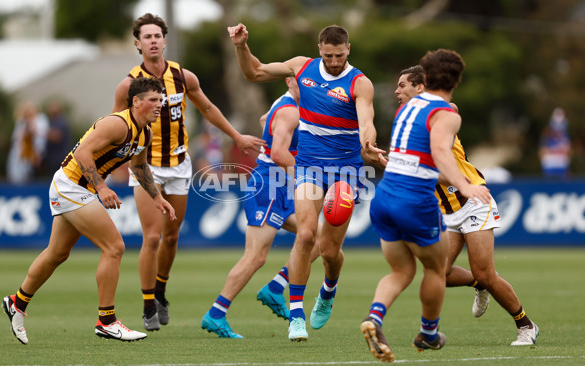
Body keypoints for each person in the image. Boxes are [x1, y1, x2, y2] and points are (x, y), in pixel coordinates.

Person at [228, 23, 387, 341]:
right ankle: (296, 315)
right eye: (328, 56)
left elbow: (366, 121)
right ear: (319, 50)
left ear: (348, 50)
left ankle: (328, 290)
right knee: (305, 234)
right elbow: (255, 73)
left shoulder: (359, 83)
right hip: (309, 166)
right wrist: (241, 46)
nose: (333, 62)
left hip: (346, 170)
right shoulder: (302, 67)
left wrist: (368, 142)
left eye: (339, 56)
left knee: (329, 250)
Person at [112, 13, 265, 332]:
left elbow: (208, 109)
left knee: (171, 236)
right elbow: (115, 126)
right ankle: (148, 304)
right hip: (146, 167)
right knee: (152, 237)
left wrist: (236, 136)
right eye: (147, 37)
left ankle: (161, 290)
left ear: (165, 41)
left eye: (158, 36)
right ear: (137, 44)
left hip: (180, 165)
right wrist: (110, 165)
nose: (153, 41)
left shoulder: (184, 76)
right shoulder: (128, 85)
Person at [1, 77, 176, 344]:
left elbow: (139, 167)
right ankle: (107, 321)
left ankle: (17, 302)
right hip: (71, 185)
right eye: (153, 100)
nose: (158, 105)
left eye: (160, 100)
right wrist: (102, 187)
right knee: (114, 247)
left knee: (57, 254)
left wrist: (157, 197)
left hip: (78, 188)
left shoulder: (146, 132)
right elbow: (83, 152)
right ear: (136, 101)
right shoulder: (117, 123)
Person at [359, 50, 491, 362]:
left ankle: (374, 319)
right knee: (435, 268)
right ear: (457, 80)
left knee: (401, 270)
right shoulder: (448, 113)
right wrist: (465, 185)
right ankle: (428, 334)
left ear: (425, 80)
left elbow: (414, 154)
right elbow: (439, 151)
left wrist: (386, 160)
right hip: (415, 201)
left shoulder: (406, 108)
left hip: (385, 195)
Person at [395, 65, 539, 347]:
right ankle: (478, 285)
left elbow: (430, 158)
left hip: (472, 201)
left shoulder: (441, 113)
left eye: (402, 85)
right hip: (447, 211)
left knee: (486, 270)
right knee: (439, 274)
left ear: (419, 87)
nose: (396, 91)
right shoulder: (405, 120)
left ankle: (526, 325)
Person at [201, 77, 321, 338]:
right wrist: (304, 174)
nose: (310, 88)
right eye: (304, 83)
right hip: (269, 183)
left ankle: (276, 288)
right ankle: (216, 314)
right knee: (255, 256)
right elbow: (278, 154)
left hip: (279, 184)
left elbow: (264, 120)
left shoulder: (288, 104)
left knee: (317, 237)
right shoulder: (291, 110)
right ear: (290, 81)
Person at [7, 101, 49, 184]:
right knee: (16, 177)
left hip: (34, 155)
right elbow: (16, 138)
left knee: (30, 178)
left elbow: (41, 136)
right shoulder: (21, 121)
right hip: (20, 155)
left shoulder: (41, 119)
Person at [41, 100, 72, 177]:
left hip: (59, 159)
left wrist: (41, 133)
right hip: (54, 159)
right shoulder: (53, 122)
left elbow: (57, 137)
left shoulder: (60, 122)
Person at [539, 107, 571, 179]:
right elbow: (542, 152)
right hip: (549, 168)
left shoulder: (566, 136)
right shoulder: (546, 135)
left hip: (562, 168)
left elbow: (569, 152)